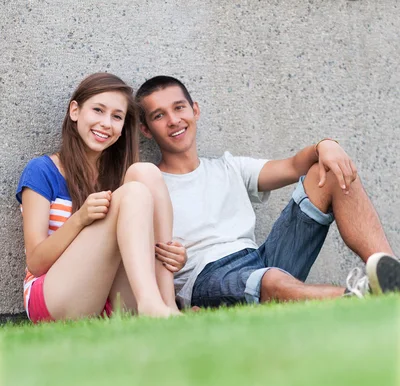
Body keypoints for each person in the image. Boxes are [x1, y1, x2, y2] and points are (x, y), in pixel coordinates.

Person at [135, 75, 400, 309]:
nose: (173, 120)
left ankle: (391, 276)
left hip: (261, 259)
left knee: (331, 170)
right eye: (159, 115)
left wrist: (326, 145)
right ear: (146, 129)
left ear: (195, 110)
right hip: (207, 278)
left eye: (179, 108)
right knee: (271, 279)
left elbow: (294, 166)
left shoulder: (230, 167)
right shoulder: (150, 185)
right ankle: (359, 299)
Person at [16, 72, 187, 323]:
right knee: (134, 191)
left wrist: (171, 257)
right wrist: (80, 218)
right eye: (98, 110)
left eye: (116, 117)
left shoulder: (122, 177)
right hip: (54, 298)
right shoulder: (42, 171)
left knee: (145, 172)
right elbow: (37, 262)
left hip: (109, 299)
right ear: (75, 111)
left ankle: (165, 304)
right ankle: (150, 306)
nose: (106, 123)